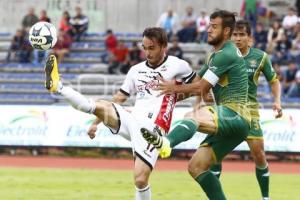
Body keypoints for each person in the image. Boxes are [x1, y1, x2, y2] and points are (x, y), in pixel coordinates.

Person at [44, 27, 195, 200]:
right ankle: (58, 86)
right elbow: (119, 97)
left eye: (151, 48)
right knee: (100, 105)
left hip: (154, 129)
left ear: (163, 46)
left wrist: (176, 91)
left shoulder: (178, 65)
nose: (147, 52)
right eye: (144, 47)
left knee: (140, 179)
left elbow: (199, 87)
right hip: (132, 120)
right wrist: (95, 123)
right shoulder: (136, 70)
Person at [141, 10, 251, 199]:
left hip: (236, 114)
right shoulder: (215, 56)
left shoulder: (226, 54)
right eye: (209, 25)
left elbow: (200, 86)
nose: (208, 30)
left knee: (193, 116)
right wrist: (163, 99)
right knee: (196, 167)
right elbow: (194, 85)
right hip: (234, 122)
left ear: (226, 32)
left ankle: (166, 143)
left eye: (213, 27)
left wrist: (172, 88)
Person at [210, 20, 282, 200]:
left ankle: (265, 197)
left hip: (249, 111)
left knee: (259, 154)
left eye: (242, 35)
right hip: (225, 110)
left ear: (250, 38)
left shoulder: (260, 57)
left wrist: (277, 101)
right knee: (215, 156)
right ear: (229, 36)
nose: (238, 38)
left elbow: (274, 81)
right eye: (235, 34)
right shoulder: (220, 56)